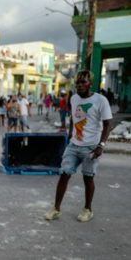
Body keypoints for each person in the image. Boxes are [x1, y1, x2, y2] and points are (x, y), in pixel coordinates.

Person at [45, 70, 112, 222]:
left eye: (83, 82)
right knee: (64, 174)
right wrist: (70, 135)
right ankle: (56, 208)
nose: (80, 85)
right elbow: (73, 118)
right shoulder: (74, 98)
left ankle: (88, 209)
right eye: (78, 83)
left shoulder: (101, 100)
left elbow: (108, 124)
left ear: (90, 83)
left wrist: (101, 145)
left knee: (88, 178)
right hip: (74, 145)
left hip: (91, 146)